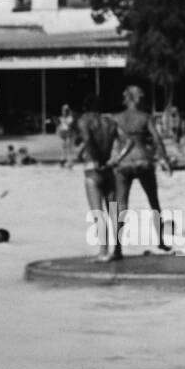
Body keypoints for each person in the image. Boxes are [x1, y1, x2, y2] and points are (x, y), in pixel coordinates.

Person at [111, 84, 172, 257]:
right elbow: (158, 139)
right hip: (143, 159)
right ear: (138, 98)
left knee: (121, 205)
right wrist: (165, 159)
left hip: (123, 163)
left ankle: (117, 247)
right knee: (154, 201)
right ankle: (160, 241)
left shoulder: (116, 118)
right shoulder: (145, 117)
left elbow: (112, 141)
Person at [74, 93, 122, 261]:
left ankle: (103, 252)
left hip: (93, 168)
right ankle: (116, 251)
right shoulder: (110, 123)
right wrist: (113, 159)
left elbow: (88, 140)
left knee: (98, 213)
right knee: (113, 212)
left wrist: (96, 159)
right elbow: (127, 142)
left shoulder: (84, 121)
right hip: (109, 169)